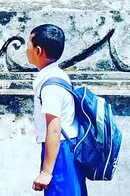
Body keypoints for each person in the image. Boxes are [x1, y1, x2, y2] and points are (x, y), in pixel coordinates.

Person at [27, 24, 88, 196]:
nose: (26, 49)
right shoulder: (59, 76)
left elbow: (54, 128)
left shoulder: (50, 85)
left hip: (60, 152)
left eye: (28, 45)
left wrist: (46, 172)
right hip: (66, 148)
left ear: (38, 51)